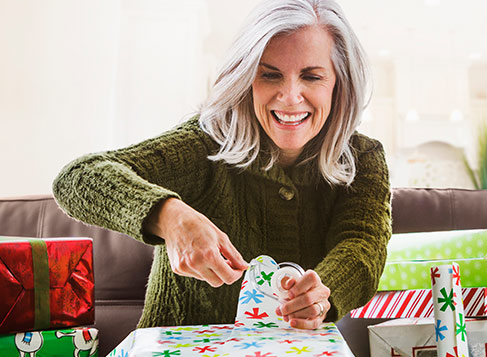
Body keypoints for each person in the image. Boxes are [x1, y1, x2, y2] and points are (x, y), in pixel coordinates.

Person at [53, 0, 391, 336]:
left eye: (312, 76)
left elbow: (362, 245)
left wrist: (323, 293)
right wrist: (171, 217)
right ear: (246, 79)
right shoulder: (205, 143)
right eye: (269, 75)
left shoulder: (363, 157)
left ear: (339, 82)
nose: (290, 97)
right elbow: (78, 177)